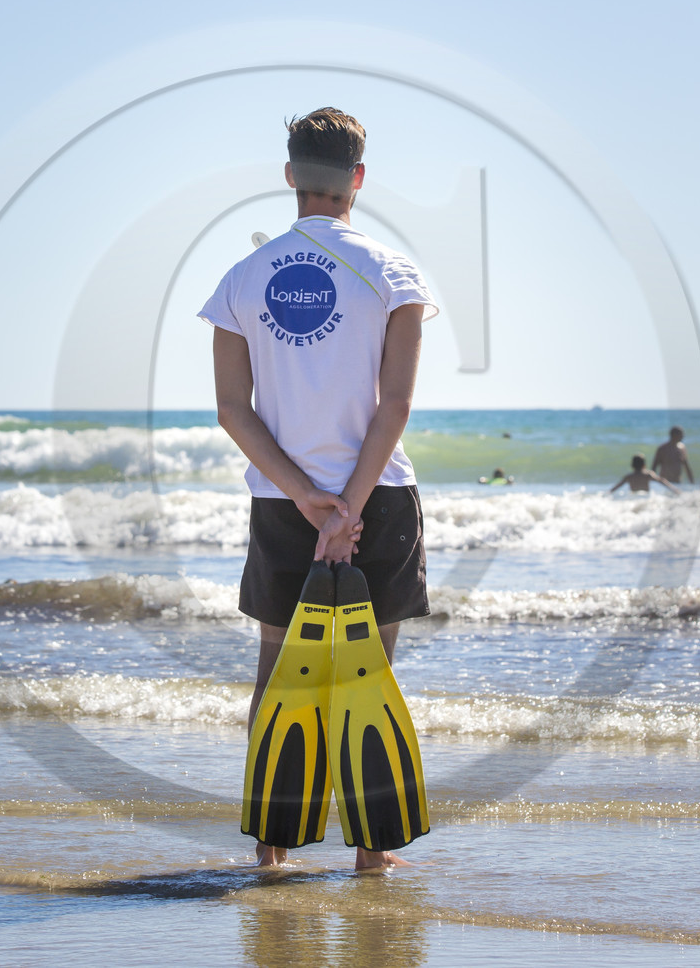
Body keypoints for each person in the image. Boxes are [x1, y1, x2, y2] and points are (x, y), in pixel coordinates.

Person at [199, 107, 435, 871]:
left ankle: (271, 849)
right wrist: (350, 509)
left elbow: (233, 410)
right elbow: (393, 404)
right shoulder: (394, 274)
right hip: (380, 501)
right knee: (369, 679)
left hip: (280, 504)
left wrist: (307, 501)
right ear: (358, 180)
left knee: (278, 676)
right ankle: (372, 854)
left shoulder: (241, 280)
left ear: (292, 175)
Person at [611, 454, 679, 494]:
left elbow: (616, 487)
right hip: (645, 497)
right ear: (644, 465)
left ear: (632, 465)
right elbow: (662, 480)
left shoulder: (629, 477)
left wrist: (608, 493)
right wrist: (674, 490)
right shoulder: (648, 475)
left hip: (634, 498)